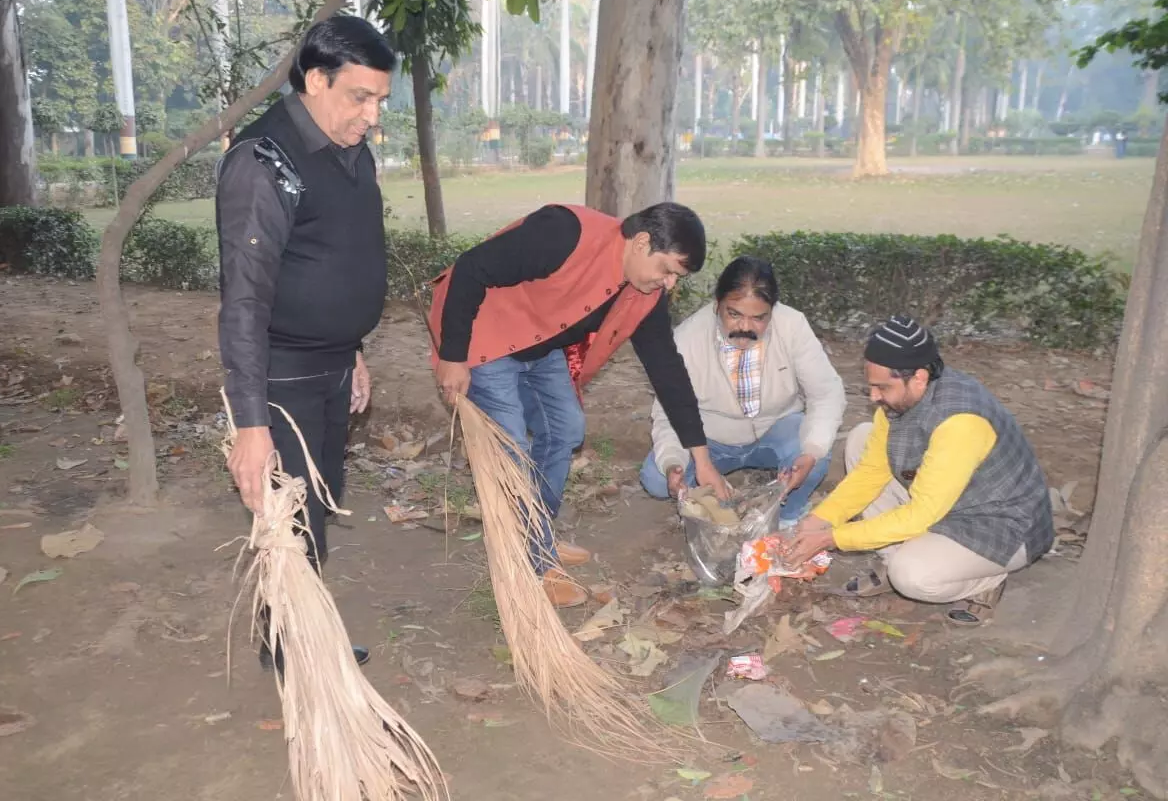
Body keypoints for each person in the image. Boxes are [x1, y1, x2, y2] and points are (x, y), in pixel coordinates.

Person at [428, 202, 730, 608]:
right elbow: (470, 268)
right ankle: (530, 566)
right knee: (511, 450)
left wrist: (702, 457)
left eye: (677, 277)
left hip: (540, 346)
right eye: (668, 270)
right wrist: (452, 355)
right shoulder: (564, 233)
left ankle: (538, 537)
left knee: (566, 430)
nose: (669, 284)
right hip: (484, 339)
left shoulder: (644, 296)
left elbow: (668, 373)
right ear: (642, 242)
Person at [216, 16, 396, 671]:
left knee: (316, 508)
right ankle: (295, 651)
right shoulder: (266, 162)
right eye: (360, 97)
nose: (372, 115)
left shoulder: (351, 152)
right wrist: (250, 425)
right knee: (290, 524)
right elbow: (243, 302)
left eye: (380, 100)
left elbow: (336, 259)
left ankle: (292, 632)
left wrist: (353, 349)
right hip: (282, 373)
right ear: (316, 80)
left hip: (330, 365)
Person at [785, 316, 1054, 625]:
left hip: (1002, 524)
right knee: (861, 438)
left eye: (882, 387)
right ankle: (895, 556)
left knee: (912, 575)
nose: (874, 396)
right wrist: (817, 522)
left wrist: (830, 538)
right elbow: (871, 472)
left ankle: (987, 581)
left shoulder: (960, 422)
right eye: (872, 385)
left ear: (919, 378)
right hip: (949, 500)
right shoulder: (903, 398)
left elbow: (922, 514)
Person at [640, 256, 846, 525]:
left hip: (776, 428)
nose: (745, 327)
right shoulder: (687, 338)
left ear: (772, 311)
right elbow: (668, 412)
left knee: (815, 453)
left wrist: (811, 451)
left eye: (759, 318)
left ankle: (786, 516)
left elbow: (826, 393)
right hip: (707, 440)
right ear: (717, 305)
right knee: (657, 479)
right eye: (734, 314)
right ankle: (703, 503)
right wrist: (673, 462)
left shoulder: (792, 326)